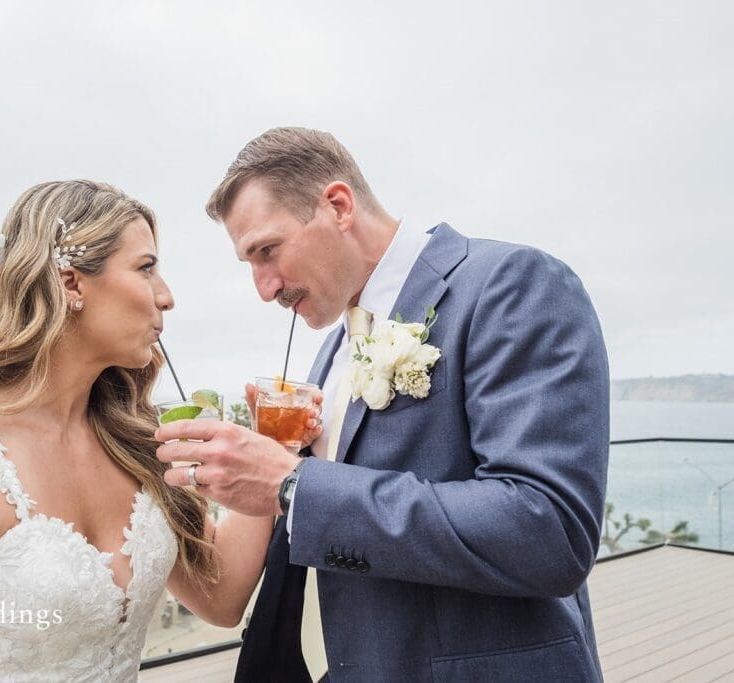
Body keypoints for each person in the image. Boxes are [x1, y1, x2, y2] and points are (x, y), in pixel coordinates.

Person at [155, 127, 609, 681]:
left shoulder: (511, 285)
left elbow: (549, 531)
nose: (264, 288)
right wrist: (273, 450)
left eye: (266, 251)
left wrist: (293, 484)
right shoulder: (331, 348)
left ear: (338, 207)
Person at [0, 180, 319, 682]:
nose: (167, 296)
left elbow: (221, 596)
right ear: (70, 283)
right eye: (146, 267)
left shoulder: (140, 444)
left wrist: (273, 445)